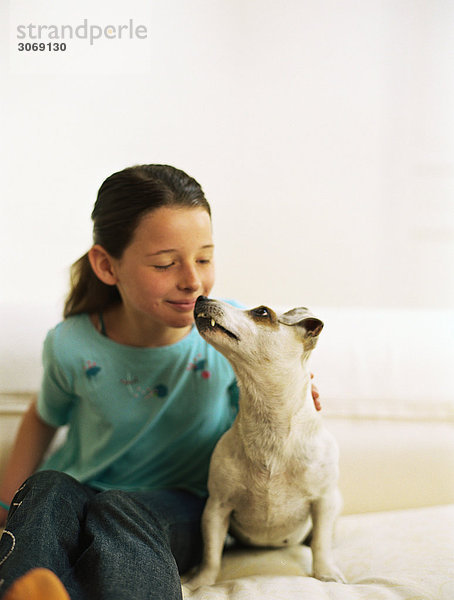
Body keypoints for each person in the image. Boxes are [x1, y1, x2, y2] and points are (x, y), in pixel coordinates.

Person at [0, 164, 321, 600]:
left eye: (204, 258)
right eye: (166, 263)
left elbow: (276, 386)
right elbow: (42, 418)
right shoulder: (72, 344)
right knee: (46, 488)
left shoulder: (232, 334)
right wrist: (4, 509)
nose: (192, 280)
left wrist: (296, 390)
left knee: (119, 509)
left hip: (181, 505)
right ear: (107, 266)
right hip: (83, 491)